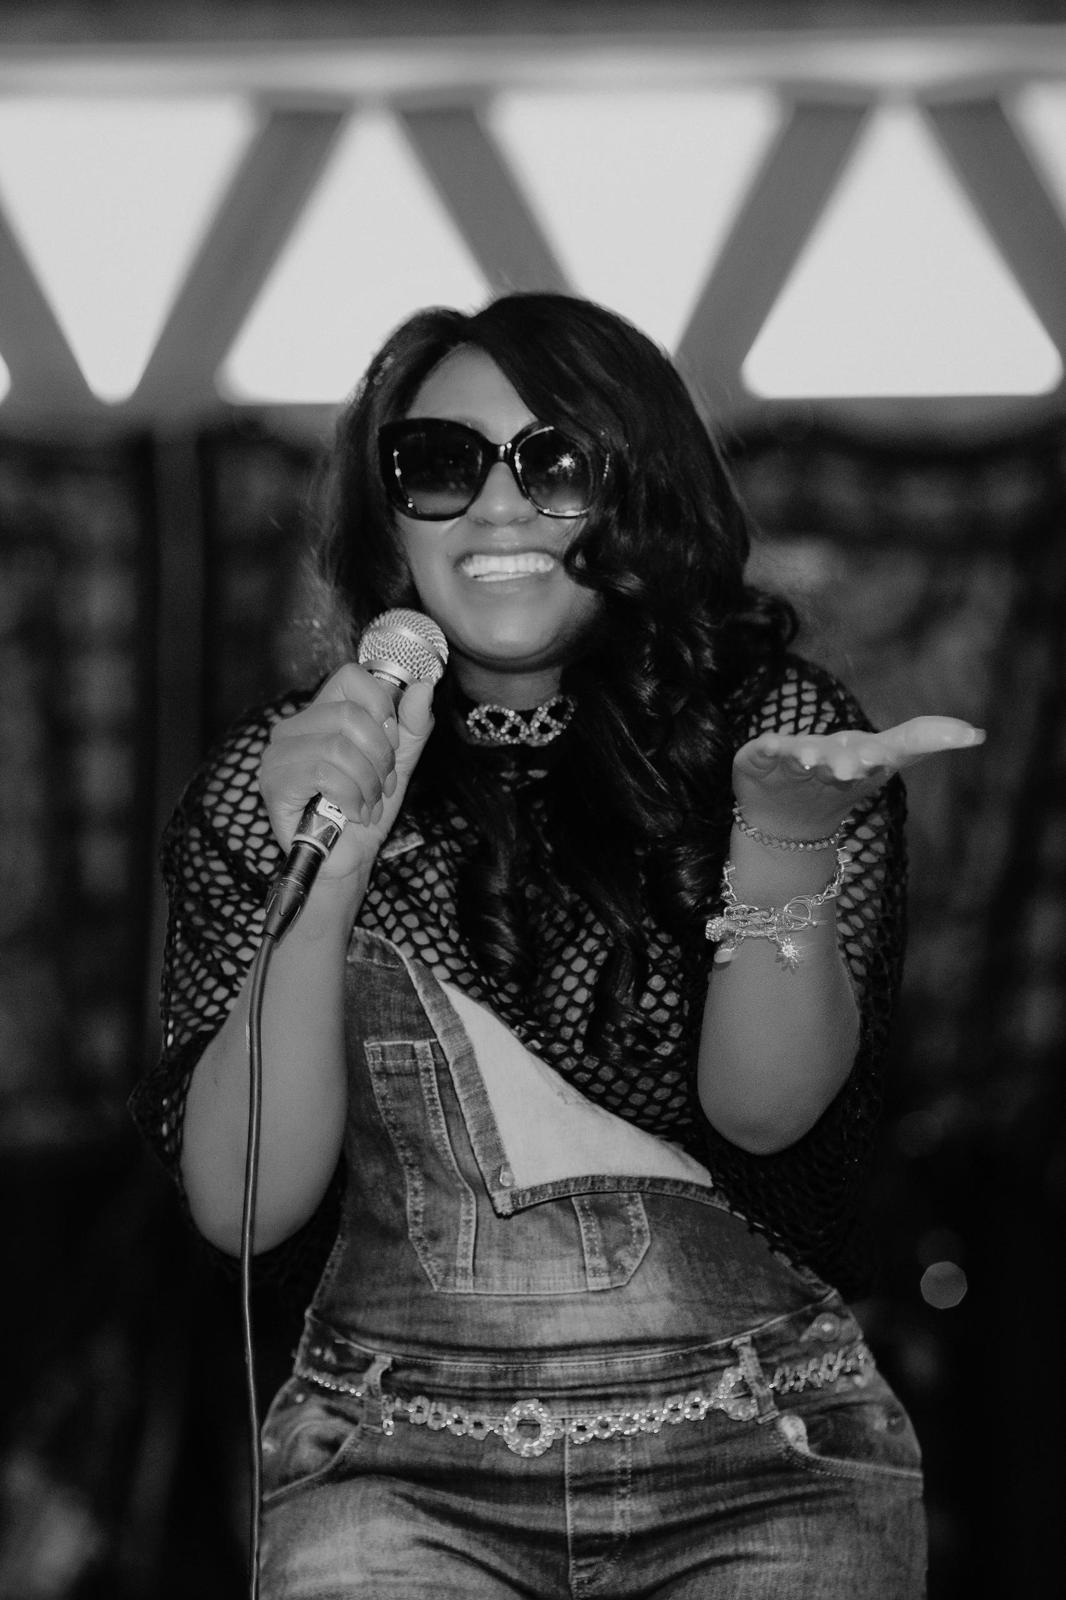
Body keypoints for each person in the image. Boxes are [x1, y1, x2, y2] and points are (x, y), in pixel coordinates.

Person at [131, 291, 984, 1598]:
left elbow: (763, 1117)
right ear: (389, 517)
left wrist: (780, 840)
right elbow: (243, 1202)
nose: (496, 506)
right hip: (394, 1467)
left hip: (757, 1455)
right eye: (440, 464)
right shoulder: (290, 772)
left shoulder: (769, 729)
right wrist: (337, 864)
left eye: (556, 462)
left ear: (639, 491)